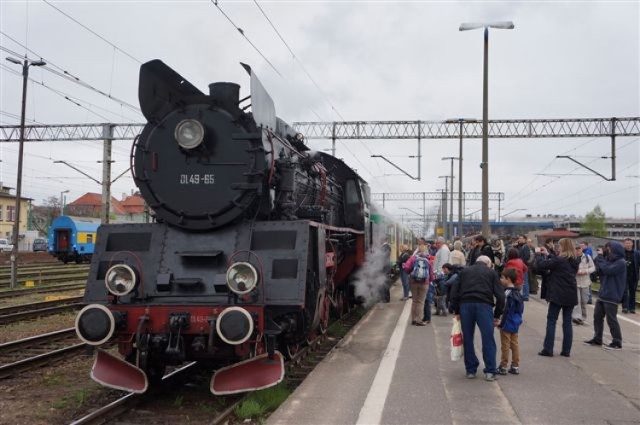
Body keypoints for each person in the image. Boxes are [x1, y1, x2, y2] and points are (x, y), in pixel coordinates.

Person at [450, 255, 505, 381]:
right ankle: (490, 371)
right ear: (488, 263)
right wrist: (497, 314)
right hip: (484, 306)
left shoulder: (464, 271)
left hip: (465, 306)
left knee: (468, 338)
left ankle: (471, 370)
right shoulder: (491, 273)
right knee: (488, 338)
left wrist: (456, 310)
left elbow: (455, 291)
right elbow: (501, 296)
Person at [536, 238, 580, 357]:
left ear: (564, 247)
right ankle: (566, 350)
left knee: (551, 321)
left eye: (559, 246)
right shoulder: (575, 260)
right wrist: (549, 254)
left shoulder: (559, 260)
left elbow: (541, 265)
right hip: (570, 295)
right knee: (567, 323)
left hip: (557, 295)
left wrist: (540, 255)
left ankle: (548, 349)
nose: (558, 248)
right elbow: (555, 260)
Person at [585, 241, 627, 349]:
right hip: (603, 293)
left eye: (609, 249)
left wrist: (599, 257)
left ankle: (617, 342)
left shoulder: (620, 262)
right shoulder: (608, 260)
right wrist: (599, 260)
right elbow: (601, 269)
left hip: (612, 295)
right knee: (597, 317)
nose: (607, 251)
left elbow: (608, 270)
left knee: (611, 319)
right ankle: (597, 338)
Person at [497, 268, 524, 376]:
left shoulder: (507, 294)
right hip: (515, 321)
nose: (501, 279)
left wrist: (501, 323)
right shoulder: (518, 293)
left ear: (508, 279)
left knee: (505, 345)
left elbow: (506, 310)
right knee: (515, 344)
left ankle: (503, 366)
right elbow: (520, 310)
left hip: (507, 322)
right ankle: (515, 365)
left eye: (502, 277)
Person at [403, 251, 433, 326]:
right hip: (424, 283)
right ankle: (419, 320)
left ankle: (413, 319)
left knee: (414, 301)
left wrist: (410, 273)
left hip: (413, 282)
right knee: (421, 302)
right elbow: (431, 274)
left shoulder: (413, 258)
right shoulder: (428, 261)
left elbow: (406, 267)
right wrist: (428, 281)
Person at [572, 244, 595, 325]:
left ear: (582, 249)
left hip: (585, 282)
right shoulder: (572, 257)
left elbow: (593, 268)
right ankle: (576, 317)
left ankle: (583, 318)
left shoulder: (587, 257)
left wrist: (586, 271)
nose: (577, 251)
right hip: (575, 282)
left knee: (584, 300)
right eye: (576, 249)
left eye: (579, 249)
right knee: (576, 300)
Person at [621, 238, 640, 314]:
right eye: (626, 243)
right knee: (624, 291)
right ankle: (625, 307)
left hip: (634, 275)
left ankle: (632, 308)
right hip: (623, 275)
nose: (628, 245)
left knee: (632, 292)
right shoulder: (621, 253)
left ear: (632, 244)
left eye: (629, 243)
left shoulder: (637, 253)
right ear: (624, 244)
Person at [515, 235, 532, 299]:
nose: (519, 239)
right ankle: (521, 294)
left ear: (525, 240)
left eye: (521, 238)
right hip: (518, 266)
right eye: (519, 238)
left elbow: (526, 256)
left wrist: (520, 262)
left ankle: (525, 295)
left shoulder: (526, 247)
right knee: (519, 280)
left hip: (523, 266)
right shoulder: (518, 246)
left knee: (525, 281)